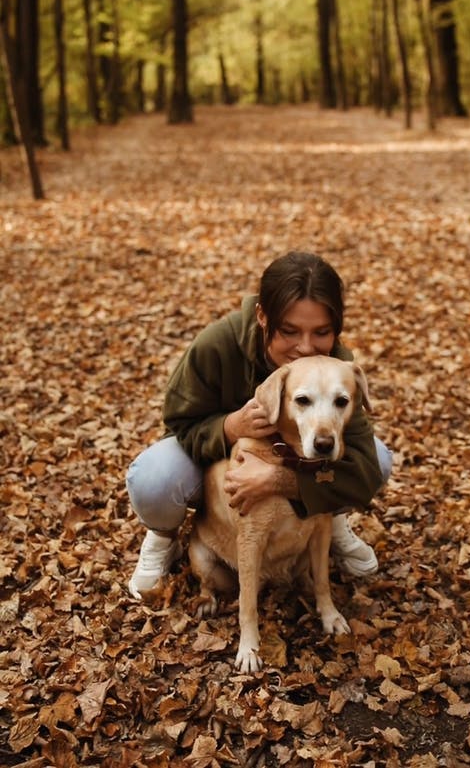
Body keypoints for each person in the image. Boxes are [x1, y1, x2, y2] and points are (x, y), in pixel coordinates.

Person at [127, 251, 392, 599]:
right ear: (262, 316)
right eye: (289, 330)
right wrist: (229, 427)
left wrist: (280, 481)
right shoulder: (216, 345)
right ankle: (163, 538)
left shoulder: (335, 368)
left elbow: (364, 466)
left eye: (322, 332)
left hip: (293, 464)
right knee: (153, 477)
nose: (306, 346)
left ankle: (327, 519)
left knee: (379, 457)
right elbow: (179, 425)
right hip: (212, 463)